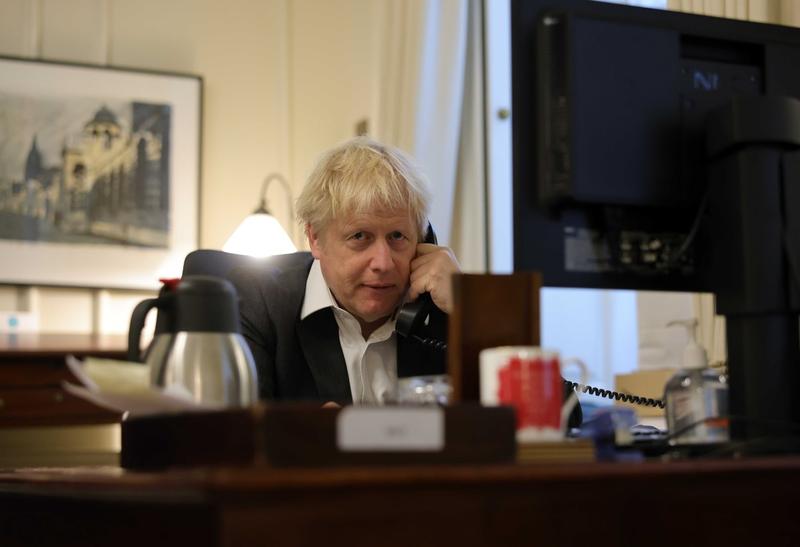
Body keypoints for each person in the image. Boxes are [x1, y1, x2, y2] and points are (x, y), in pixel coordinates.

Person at [228, 137, 459, 405]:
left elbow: (501, 421)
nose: (383, 263)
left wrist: (466, 309)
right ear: (315, 238)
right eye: (360, 236)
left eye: (397, 236)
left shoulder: (444, 312)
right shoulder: (257, 303)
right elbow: (239, 434)